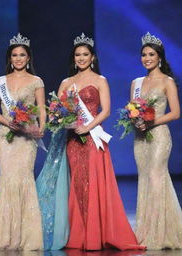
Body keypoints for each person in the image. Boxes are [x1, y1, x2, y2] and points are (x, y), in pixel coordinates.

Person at [37, 33, 145, 251]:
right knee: (77, 183)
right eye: (77, 55)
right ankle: (79, 234)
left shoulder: (100, 80)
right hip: (73, 140)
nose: (81, 58)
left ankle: (97, 234)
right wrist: (64, 123)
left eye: (85, 54)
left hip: (93, 137)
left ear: (92, 57)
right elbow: (57, 111)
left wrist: (87, 126)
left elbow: (105, 110)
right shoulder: (66, 82)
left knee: (94, 183)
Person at [0, 33, 46, 250]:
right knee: (7, 179)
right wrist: (9, 123)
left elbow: (41, 109)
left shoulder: (36, 81)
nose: (18, 58)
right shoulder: (0, 81)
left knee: (24, 178)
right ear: (10, 58)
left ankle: (25, 237)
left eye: (22, 55)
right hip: (6, 137)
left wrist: (41, 128)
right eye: (14, 55)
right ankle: (4, 236)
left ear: (28, 58)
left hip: (26, 138)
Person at [131, 32, 182, 250]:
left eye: (151, 54)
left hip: (159, 135)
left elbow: (176, 113)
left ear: (159, 56)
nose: (147, 58)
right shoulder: (136, 82)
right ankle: (147, 232)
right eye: (143, 55)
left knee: (156, 177)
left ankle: (162, 233)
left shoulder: (167, 81)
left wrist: (152, 122)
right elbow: (132, 110)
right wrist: (135, 121)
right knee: (145, 179)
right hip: (141, 138)